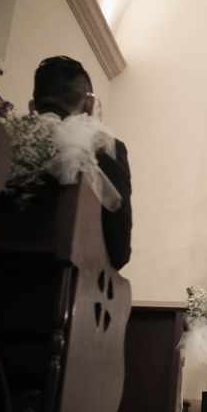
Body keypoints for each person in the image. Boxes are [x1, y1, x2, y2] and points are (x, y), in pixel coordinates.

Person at [30, 56, 133, 269]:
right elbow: (118, 249)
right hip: (69, 281)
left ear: (32, 106)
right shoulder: (103, 147)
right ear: (90, 104)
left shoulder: (3, 140)